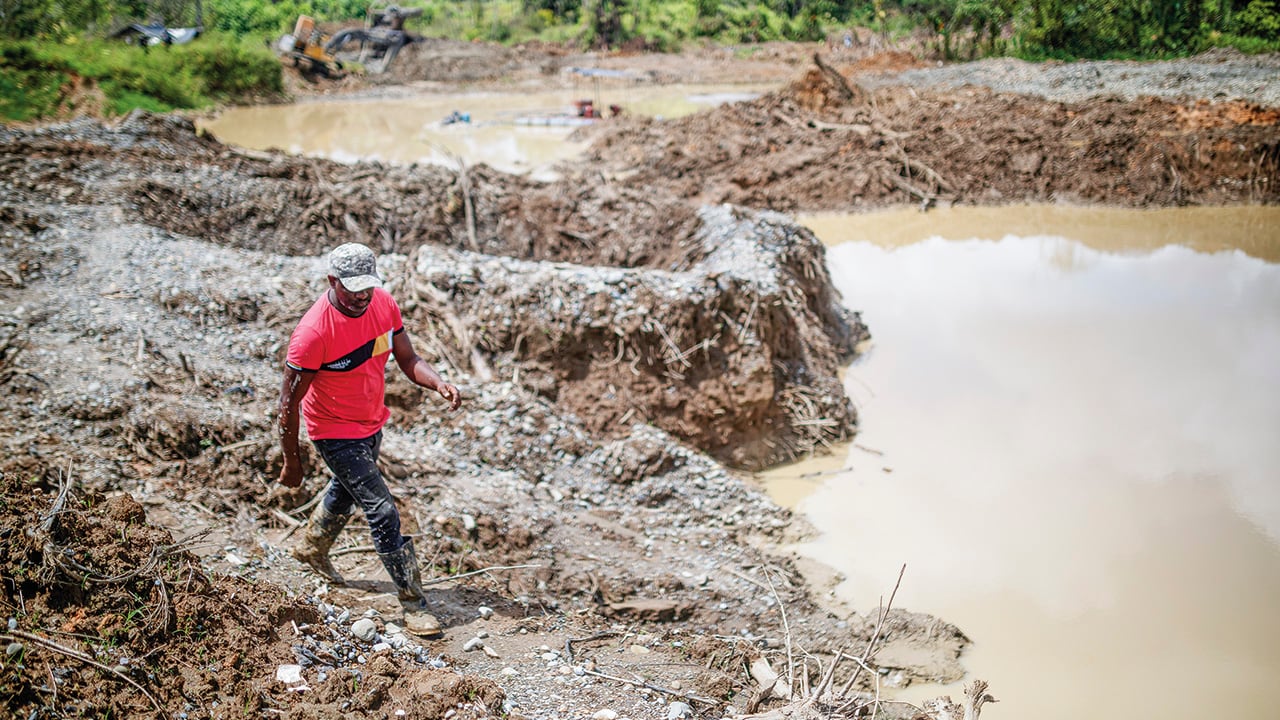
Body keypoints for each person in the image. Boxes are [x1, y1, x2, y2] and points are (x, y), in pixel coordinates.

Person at [278, 242, 461, 636]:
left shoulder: (383, 305)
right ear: (332, 281)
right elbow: (287, 405)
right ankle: (414, 604)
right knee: (382, 510)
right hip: (333, 430)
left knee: (345, 490)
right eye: (352, 290)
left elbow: (408, 359)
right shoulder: (312, 334)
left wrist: (438, 383)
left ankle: (311, 547)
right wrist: (292, 461)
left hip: (370, 421)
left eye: (367, 288)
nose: (362, 297)